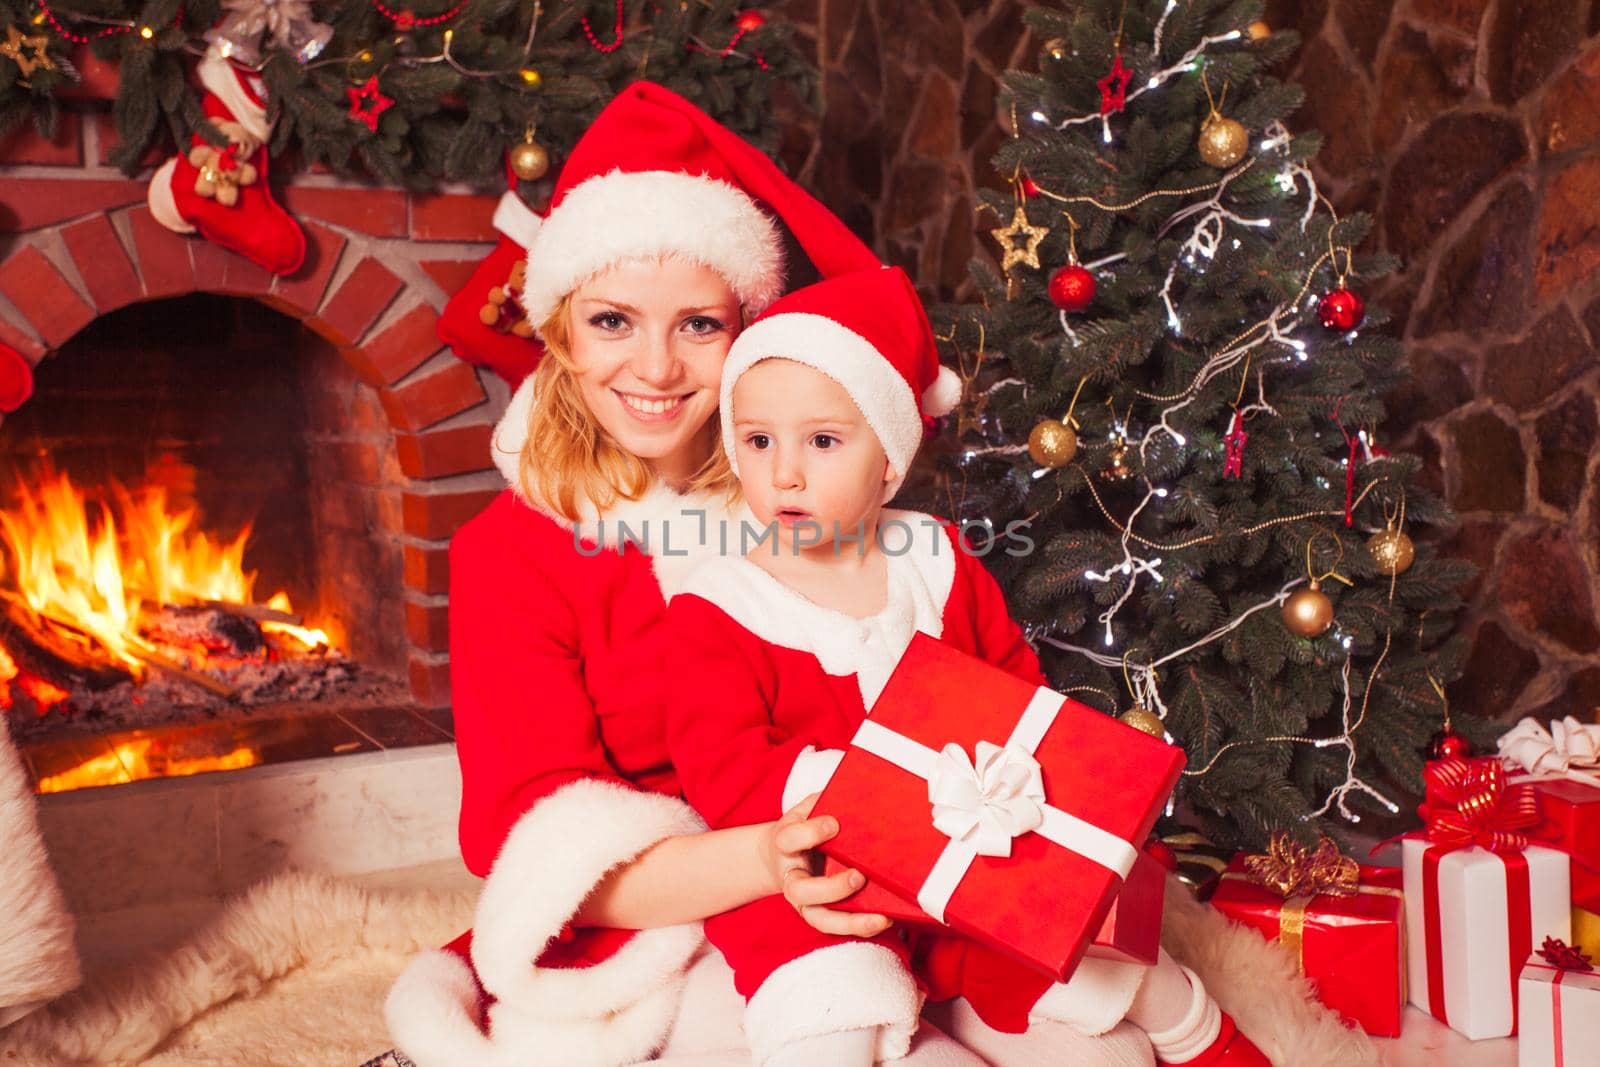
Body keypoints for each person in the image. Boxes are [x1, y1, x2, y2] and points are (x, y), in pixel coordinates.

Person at [382, 82, 993, 1067]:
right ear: (562, 336)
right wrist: (763, 861)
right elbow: (540, 846)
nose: (656, 368)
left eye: (697, 326)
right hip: (673, 908)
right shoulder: (515, 550)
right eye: (614, 321)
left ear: (747, 330)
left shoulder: (805, 502)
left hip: (870, 870)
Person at [662, 265, 1271, 1067]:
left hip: (966, 862)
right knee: (825, 1018)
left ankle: (1203, 1039)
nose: (784, 473)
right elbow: (724, 767)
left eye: (822, 441)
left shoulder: (932, 558)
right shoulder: (720, 601)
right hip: (821, 876)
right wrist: (868, 791)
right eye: (758, 440)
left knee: (1101, 991)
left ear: (888, 460)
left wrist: (1011, 784)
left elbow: (1016, 689)